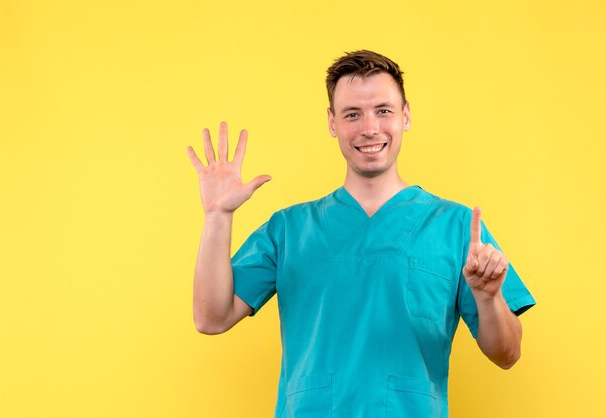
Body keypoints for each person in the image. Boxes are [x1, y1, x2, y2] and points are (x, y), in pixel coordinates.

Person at [187, 50, 536, 418]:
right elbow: (211, 318)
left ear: (406, 115)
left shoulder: (457, 228)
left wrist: (488, 298)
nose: (369, 128)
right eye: (352, 114)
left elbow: (507, 354)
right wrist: (217, 216)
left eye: (383, 110)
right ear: (332, 123)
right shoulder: (289, 230)